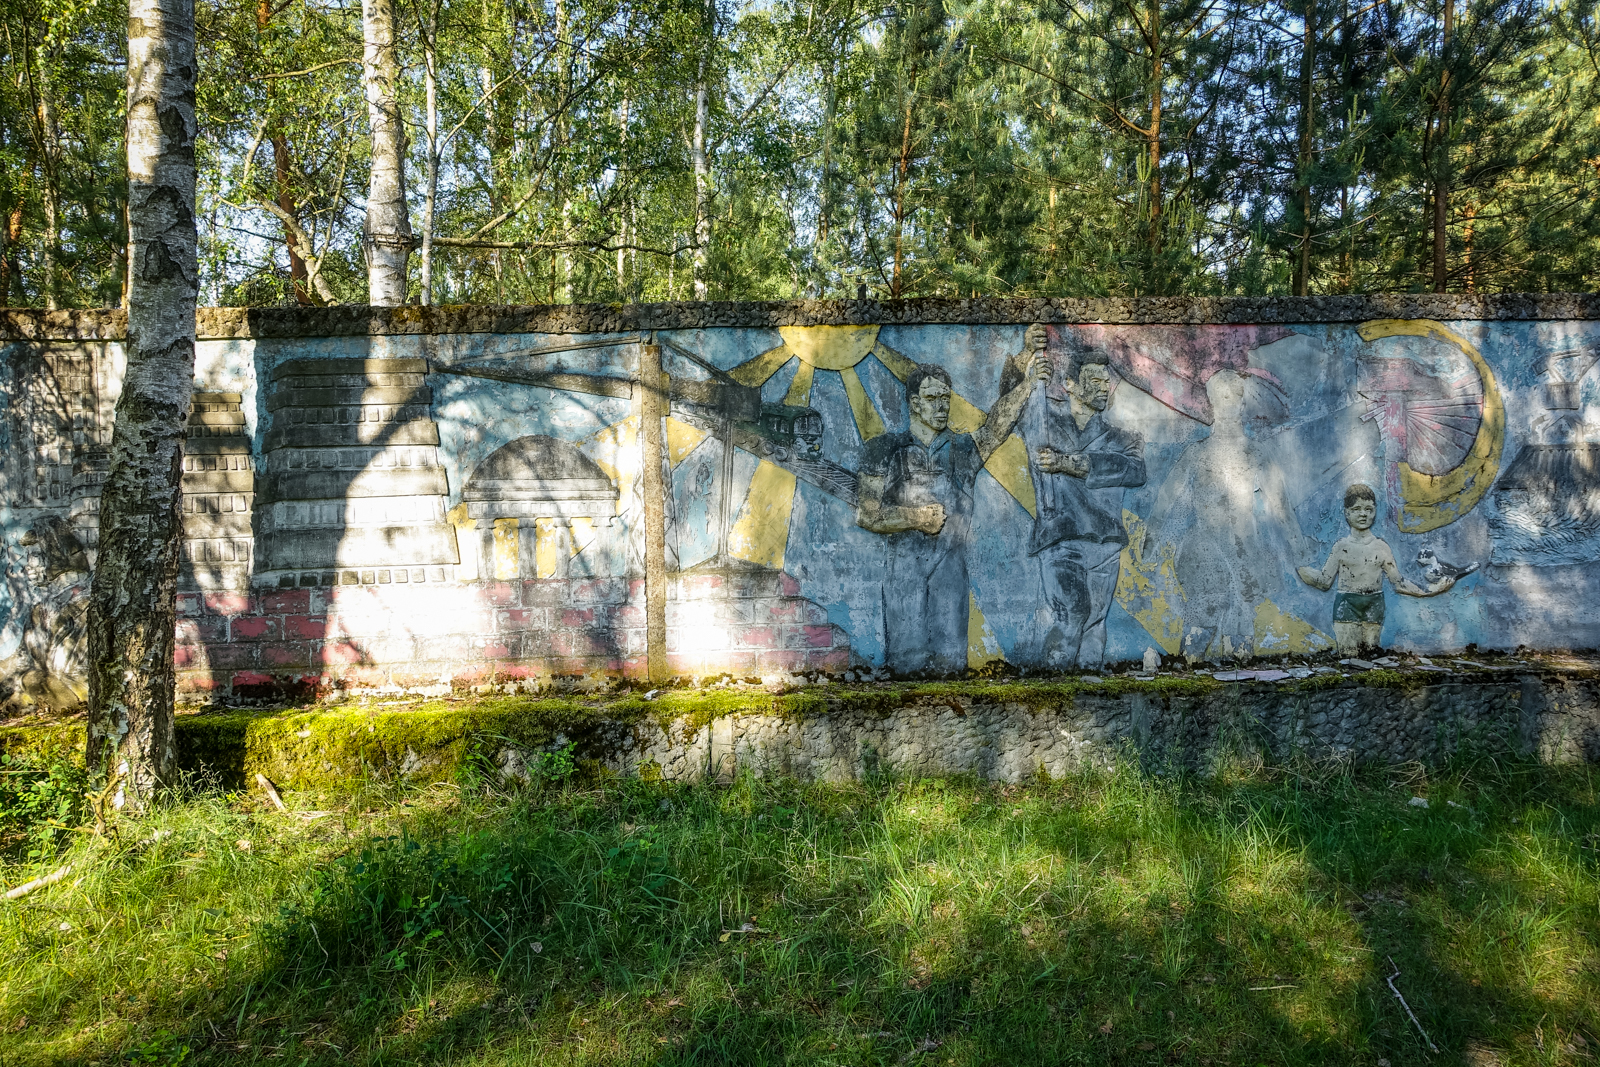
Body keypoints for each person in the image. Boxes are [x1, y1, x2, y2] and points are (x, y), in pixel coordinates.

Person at [856, 325, 1049, 674]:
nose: (941, 406)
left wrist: (1029, 383)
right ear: (914, 404)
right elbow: (866, 515)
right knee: (907, 668)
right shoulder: (883, 450)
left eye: (946, 398)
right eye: (932, 399)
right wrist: (914, 518)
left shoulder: (962, 450)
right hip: (905, 575)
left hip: (951, 574)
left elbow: (995, 428)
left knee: (951, 667)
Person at [1002, 333, 1146, 669]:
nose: (1102, 387)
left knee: (1095, 623)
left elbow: (1135, 470)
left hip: (1106, 545)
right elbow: (1011, 401)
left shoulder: (1123, 439)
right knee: (1074, 611)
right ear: (1069, 384)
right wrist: (1026, 357)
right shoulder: (1043, 423)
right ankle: (1054, 691)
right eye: (1093, 380)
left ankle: (1090, 697)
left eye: (1105, 380)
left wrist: (1072, 464)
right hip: (1061, 542)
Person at [1296, 482, 1454, 652]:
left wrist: (1430, 591)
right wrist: (1299, 569)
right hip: (1347, 603)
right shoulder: (1341, 546)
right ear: (1347, 513)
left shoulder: (1381, 547)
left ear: (1375, 512)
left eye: (1369, 509)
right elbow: (1325, 581)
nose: (1363, 514)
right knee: (1349, 654)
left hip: (1374, 603)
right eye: (1357, 509)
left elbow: (1398, 583)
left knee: (1371, 652)